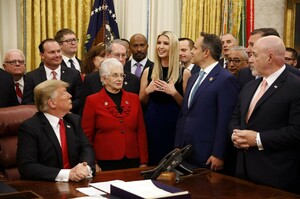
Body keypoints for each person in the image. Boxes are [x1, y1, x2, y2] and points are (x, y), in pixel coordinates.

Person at [229, 36, 300, 194]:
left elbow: (296, 131)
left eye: (254, 54)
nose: (250, 59)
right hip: (242, 172)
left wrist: (258, 139)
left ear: (270, 57)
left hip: (275, 177)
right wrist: (235, 135)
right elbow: (235, 117)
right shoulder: (249, 86)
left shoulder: (295, 86)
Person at [175, 32, 240, 171]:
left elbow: (225, 120)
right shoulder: (193, 78)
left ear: (206, 52)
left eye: (195, 48)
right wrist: (178, 145)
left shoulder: (225, 79)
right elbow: (185, 113)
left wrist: (219, 153)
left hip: (207, 152)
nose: (192, 51)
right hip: (186, 151)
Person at [17, 80, 95, 182]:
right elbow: (27, 167)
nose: (70, 95)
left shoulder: (73, 120)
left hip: (77, 184)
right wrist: (68, 174)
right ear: (52, 103)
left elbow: (86, 148)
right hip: (46, 187)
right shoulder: (30, 128)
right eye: (64, 92)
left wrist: (85, 168)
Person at [82, 58, 148, 171]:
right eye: (115, 75)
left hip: (132, 159)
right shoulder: (92, 100)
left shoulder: (134, 98)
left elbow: (141, 132)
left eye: (122, 75)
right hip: (105, 161)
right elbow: (87, 136)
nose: (119, 79)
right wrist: (92, 162)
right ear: (104, 78)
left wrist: (143, 162)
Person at [139, 31, 191, 165]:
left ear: (173, 47)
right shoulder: (148, 71)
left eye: (165, 43)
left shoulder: (184, 73)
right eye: (159, 43)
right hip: (151, 123)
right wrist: (147, 91)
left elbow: (187, 107)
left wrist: (174, 93)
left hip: (173, 126)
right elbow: (140, 102)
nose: (160, 46)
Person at [22, 38, 83, 114]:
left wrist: (63, 108)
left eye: (59, 51)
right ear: (42, 55)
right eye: (52, 52)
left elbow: (79, 99)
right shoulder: (31, 76)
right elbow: (27, 102)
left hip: (69, 117)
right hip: (43, 119)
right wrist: (49, 110)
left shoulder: (74, 74)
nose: (57, 55)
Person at [80, 39, 140, 115]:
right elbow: (84, 111)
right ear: (108, 55)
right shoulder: (91, 79)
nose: (121, 59)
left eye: (123, 55)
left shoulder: (134, 80)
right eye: (117, 55)